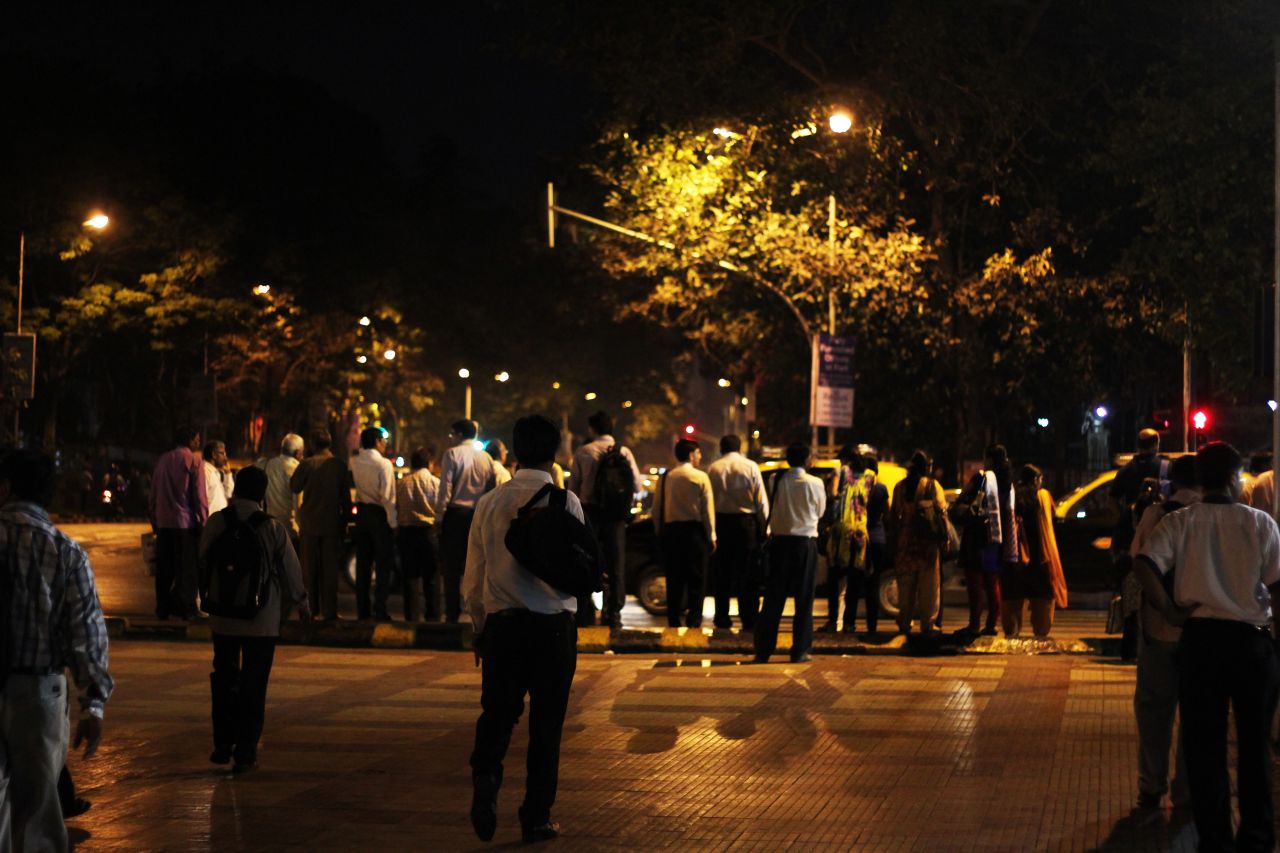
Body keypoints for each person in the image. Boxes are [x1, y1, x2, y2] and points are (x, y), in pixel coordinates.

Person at [1135, 442, 1280, 850]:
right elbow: (1277, 588)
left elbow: (1144, 564)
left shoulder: (1182, 522)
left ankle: (1214, 838)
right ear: (1235, 479)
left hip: (1200, 643)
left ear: (1200, 479)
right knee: (1255, 747)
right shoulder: (1260, 524)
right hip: (1251, 644)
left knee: (1205, 746)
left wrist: (1170, 609)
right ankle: (1256, 837)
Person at [464, 415, 581, 844]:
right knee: (546, 727)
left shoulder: (491, 503)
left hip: (504, 627)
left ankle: (487, 774)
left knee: (497, 714)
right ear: (554, 454)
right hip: (554, 629)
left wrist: (479, 627)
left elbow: (473, 577)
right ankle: (536, 817)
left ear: (514, 451)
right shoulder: (566, 501)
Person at [0, 449, 114, 852]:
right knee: (39, 805)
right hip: (39, 693)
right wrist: (93, 704)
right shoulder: (66, 551)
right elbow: (87, 634)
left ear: (7, 486)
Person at [200, 466, 310, 774]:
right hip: (261, 620)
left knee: (223, 677)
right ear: (262, 494)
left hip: (222, 618)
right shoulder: (272, 528)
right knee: (254, 682)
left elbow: (203, 559)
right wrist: (302, 602)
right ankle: (246, 751)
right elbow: (291, 569)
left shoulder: (216, 522)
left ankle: (222, 743)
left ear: (236, 490)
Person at [1127, 454, 1197, 811]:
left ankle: (1151, 785)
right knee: (1197, 718)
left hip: (1158, 632)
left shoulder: (1157, 514)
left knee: (1155, 713)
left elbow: (1137, 558)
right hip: (1201, 635)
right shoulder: (1215, 517)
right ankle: (1187, 789)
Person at [752, 443, 825, 662]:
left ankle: (764, 649)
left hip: (780, 543)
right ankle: (800, 649)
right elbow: (820, 511)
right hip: (805, 543)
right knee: (804, 599)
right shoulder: (816, 483)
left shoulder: (777, 480)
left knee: (774, 598)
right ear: (806, 460)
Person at [568, 412, 641, 629]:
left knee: (586, 562)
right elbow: (636, 485)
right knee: (616, 564)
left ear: (592, 429)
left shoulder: (584, 451)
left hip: (590, 514)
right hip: (616, 516)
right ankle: (614, 613)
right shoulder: (624, 452)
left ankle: (586, 611)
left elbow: (573, 488)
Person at [1111, 428, 1168, 660]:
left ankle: (1130, 651)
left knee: (1132, 608)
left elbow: (1111, 500)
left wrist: (1124, 520)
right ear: (1156, 443)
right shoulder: (1165, 469)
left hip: (1134, 559)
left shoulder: (1126, 471)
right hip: (1161, 558)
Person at [434, 420, 498, 623]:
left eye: (452, 434)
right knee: (479, 566)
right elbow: (491, 490)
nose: (451, 437)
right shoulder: (487, 458)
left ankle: (452, 614)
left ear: (460, 434)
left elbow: (446, 488)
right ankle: (479, 615)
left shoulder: (452, 454)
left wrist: (439, 518)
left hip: (455, 516)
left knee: (452, 568)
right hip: (478, 515)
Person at [706, 434, 768, 630]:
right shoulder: (750, 466)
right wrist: (765, 526)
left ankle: (722, 617)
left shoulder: (714, 468)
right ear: (739, 448)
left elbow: (709, 500)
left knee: (722, 574)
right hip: (745, 524)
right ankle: (748, 618)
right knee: (748, 574)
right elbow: (761, 500)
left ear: (722, 448)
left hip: (722, 522)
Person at [653, 438, 716, 628]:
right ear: (691, 455)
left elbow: (656, 510)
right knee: (697, 578)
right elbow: (707, 510)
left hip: (671, 532)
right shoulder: (700, 477)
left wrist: (659, 531)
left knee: (674, 579)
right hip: (694, 531)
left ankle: (673, 619)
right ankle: (694, 619)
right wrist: (712, 534)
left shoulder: (665, 478)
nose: (700, 456)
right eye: (698, 453)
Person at [148, 426, 208, 620]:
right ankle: (186, 607)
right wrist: (203, 520)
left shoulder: (163, 459)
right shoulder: (194, 459)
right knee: (187, 568)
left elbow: (154, 490)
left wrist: (153, 516)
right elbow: (199, 495)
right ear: (190, 440)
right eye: (197, 439)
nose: (199, 443)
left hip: (164, 522)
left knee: (164, 567)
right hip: (185, 523)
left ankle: (163, 607)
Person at [290, 429, 350, 621]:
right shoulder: (339, 465)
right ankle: (330, 612)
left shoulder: (307, 464)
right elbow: (346, 500)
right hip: (332, 525)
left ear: (313, 444)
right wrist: (344, 523)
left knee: (309, 571)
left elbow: (294, 486)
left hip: (309, 525)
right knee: (329, 571)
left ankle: (310, 611)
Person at [888, 451, 950, 637]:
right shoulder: (932, 486)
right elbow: (942, 512)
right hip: (927, 544)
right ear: (927, 467)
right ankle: (927, 624)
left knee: (906, 586)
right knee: (929, 586)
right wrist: (945, 538)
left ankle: (905, 623)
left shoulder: (900, 487)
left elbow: (894, 516)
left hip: (906, 542)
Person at [1004, 465, 1068, 638]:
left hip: (1016, 555)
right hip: (1040, 555)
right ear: (1035, 480)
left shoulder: (1013, 495)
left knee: (1014, 595)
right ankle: (1040, 631)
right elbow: (1053, 517)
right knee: (1043, 596)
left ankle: (1012, 631)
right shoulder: (1044, 497)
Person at [955, 446, 1012, 635]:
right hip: (996, 539)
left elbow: (963, 500)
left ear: (989, 459)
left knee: (976, 585)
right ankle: (991, 625)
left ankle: (974, 625)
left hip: (977, 538)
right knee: (993, 584)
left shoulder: (982, 478)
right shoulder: (1008, 484)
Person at [350, 427, 398, 621]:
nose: (385, 444)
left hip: (362, 514)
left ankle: (363, 611)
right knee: (383, 564)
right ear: (377, 441)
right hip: (379, 516)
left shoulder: (354, 461)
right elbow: (388, 497)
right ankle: (380, 609)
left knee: (363, 564)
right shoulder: (384, 464)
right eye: (384, 440)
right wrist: (393, 523)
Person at [821, 447, 871, 634]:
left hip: (841, 530)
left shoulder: (839, 472)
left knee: (835, 578)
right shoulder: (870, 476)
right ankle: (850, 623)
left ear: (845, 459)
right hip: (860, 531)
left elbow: (832, 496)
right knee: (854, 579)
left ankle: (833, 621)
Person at [396, 446, 441, 622]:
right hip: (429, 533)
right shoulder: (435, 483)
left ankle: (411, 617)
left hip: (407, 533)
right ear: (429, 463)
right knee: (432, 578)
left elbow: (396, 506)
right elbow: (440, 508)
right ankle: (433, 616)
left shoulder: (402, 482)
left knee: (410, 578)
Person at [260, 433, 303, 545]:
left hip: (270, 526)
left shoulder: (269, 464)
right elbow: (298, 505)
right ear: (298, 452)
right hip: (289, 528)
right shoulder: (297, 469)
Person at [202, 440, 232, 516]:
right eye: (222, 453)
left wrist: (228, 473)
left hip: (218, 520)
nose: (226, 458)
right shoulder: (205, 471)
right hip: (210, 521)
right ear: (214, 455)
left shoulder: (216, 472)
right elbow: (202, 500)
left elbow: (229, 494)